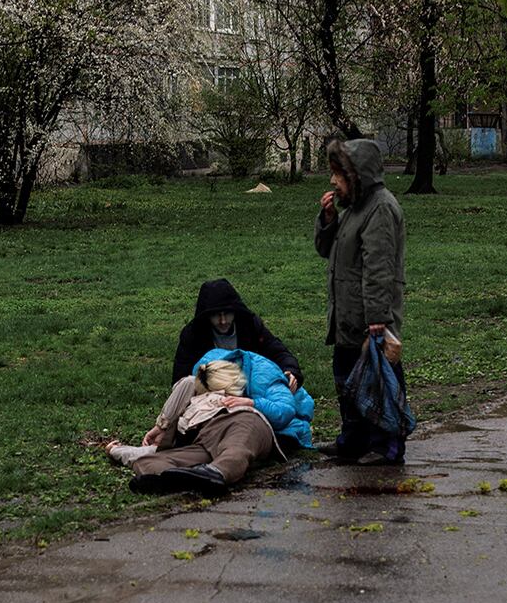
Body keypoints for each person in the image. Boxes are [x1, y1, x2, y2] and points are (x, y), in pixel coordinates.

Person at [315, 137, 408, 463]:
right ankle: (353, 441)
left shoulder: (380, 208)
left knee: (380, 381)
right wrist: (328, 220)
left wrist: (378, 319)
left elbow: (379, 268)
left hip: (370, 317)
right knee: (347, 378)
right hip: (348, 314)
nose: (333, 181)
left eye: (338, 174)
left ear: (356, 176)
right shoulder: (354, 208)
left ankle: (388, 446)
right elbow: (327, 250)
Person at [109, 352, 315, 495]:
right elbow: (152, 450)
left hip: (246, 422)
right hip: (206, 438)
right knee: (147, 462)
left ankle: (216, 473)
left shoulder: (263, 380)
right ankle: (177, 479)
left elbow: (285, 411)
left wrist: (252, 402)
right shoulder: (198, 380)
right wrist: (117, 450)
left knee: (236, 447)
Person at [172, 279, 302, 390]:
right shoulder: (194, 334)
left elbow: (277, 350)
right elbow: (180, 378)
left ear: (235, 311)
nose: (223, 321)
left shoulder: (250, 325)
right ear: (207, 316)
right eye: (216, 315)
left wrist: (290, 371)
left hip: (251, 385)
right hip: (210, 392)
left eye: (227, 314)